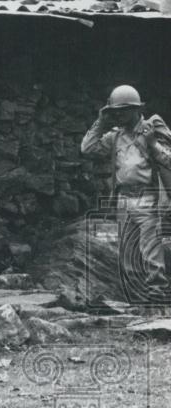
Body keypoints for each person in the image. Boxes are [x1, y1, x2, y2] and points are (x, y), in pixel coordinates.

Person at [81, 84, 171, 302]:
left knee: (151, 250)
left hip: (147, 197)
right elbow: (87, 149)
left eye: (123, 110)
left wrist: (151, 143)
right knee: (126, 251)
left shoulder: (152, 128)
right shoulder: (114, 136)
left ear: (136, 109)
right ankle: (135, 297)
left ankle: (158, 295)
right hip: (123, 199)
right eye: (115, 111)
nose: (118, 115)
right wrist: (101, 122)